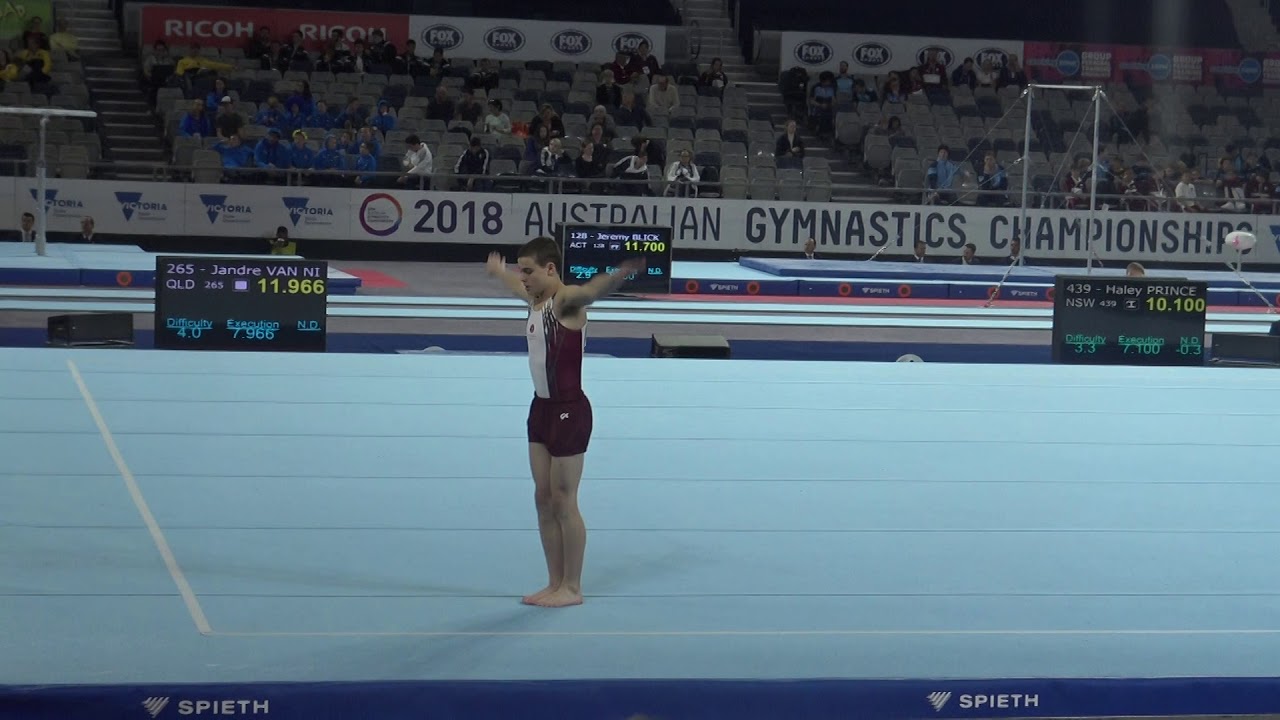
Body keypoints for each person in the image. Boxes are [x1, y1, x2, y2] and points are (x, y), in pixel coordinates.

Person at [485, 237, 644, 608]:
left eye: (528, 271)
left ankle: (572, 587)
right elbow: (515, 284)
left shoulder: (564, 301)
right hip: (540, 410)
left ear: (551, 269)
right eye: (520, 270)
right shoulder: (535, 299)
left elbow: (590, 291)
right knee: (543, 499)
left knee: (564, 500)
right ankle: (554, 581)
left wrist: (619, 275)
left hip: (570, 411)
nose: (521, 278)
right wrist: (499, 273)